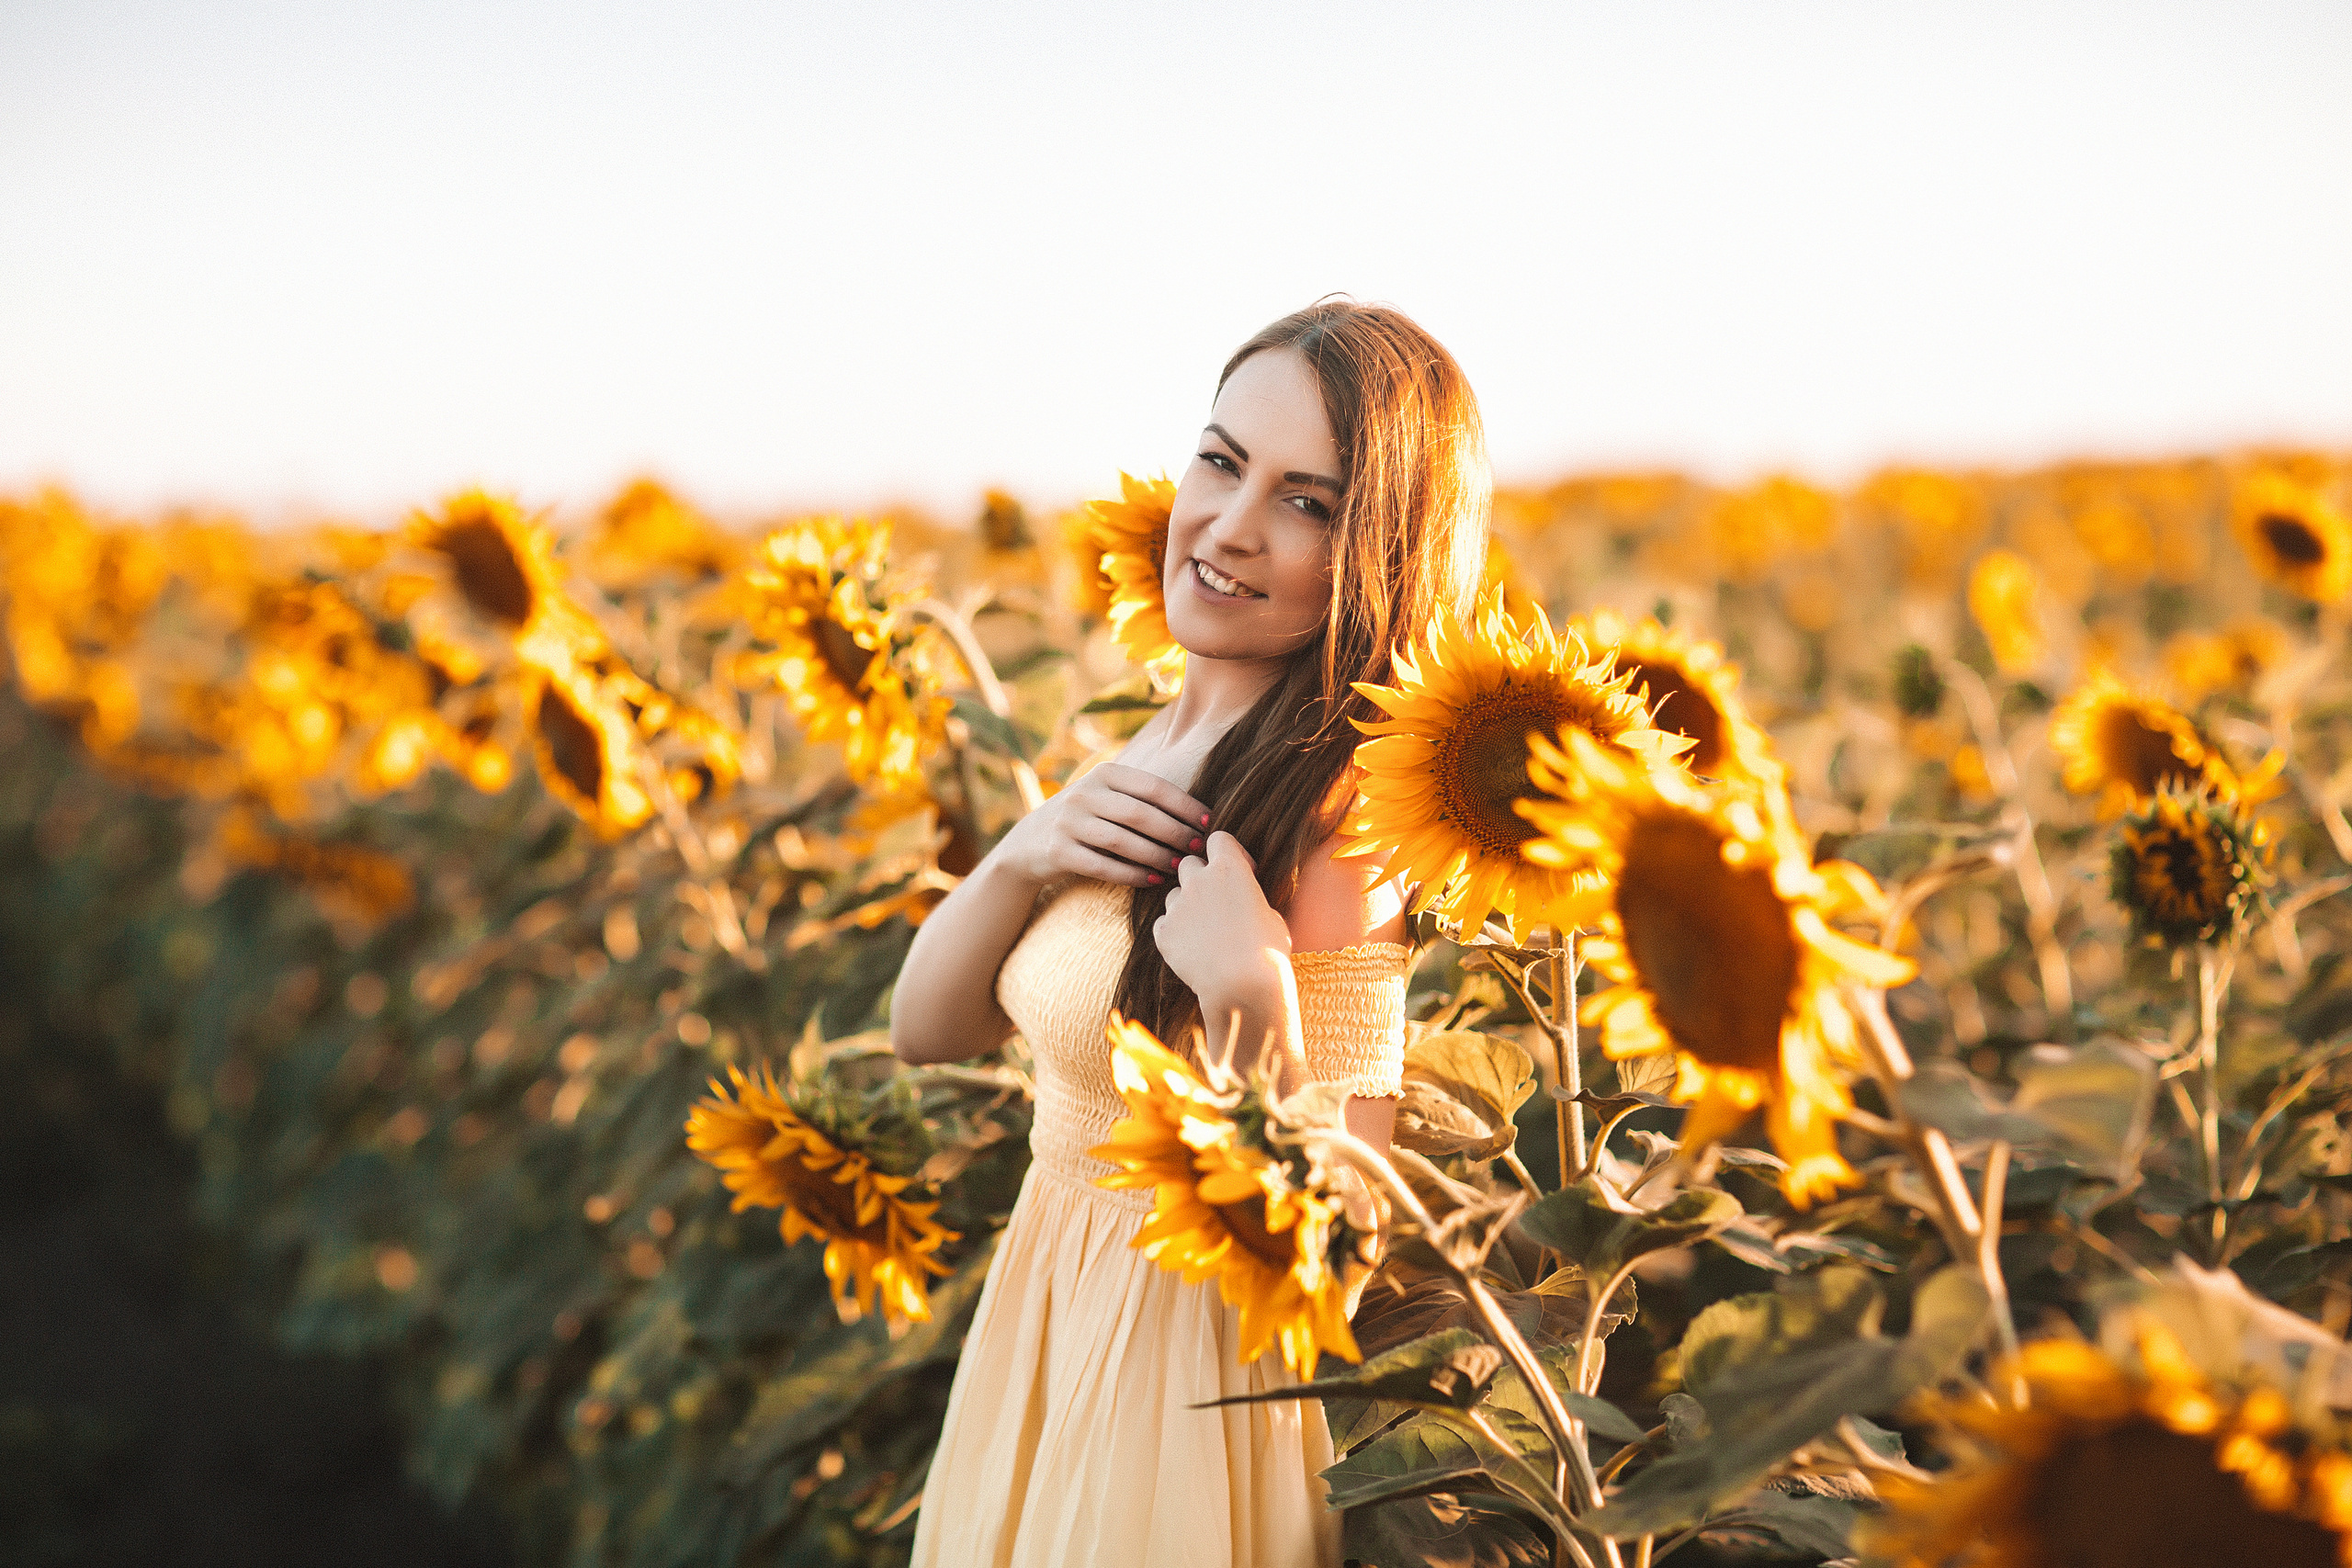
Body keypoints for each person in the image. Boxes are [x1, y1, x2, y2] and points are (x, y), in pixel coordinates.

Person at [893, 300, 1491, 1567]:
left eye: (1308, 503)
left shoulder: (1336, 820)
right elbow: (925, 1032)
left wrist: (1255, 1004)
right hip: (1046, 1330)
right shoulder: (1138, 758)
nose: (1228, 525)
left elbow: (1338, 1246)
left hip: (1181, 1390)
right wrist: (1023, 849)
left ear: (1376, 554)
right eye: (1221, 462)